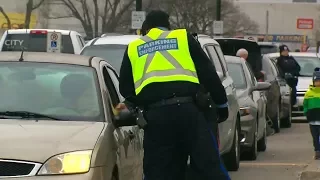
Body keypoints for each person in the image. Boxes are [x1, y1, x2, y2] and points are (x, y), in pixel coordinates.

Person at [118, 10, 230, 180]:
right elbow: (208, 74)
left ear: (146, 28)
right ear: (168, 26)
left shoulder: (134, 47)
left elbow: (125, 88)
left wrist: (144, 103)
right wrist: (221, 105)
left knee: (158, 172)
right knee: (209, 167)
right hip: (189, 113)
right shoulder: (182, 37)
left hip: (156, 119)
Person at [303, 67, 320, 159]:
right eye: (316, 81)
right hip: (313, 120)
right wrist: (306, 113)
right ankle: (317, 151)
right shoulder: (308, 93)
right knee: (315, 137)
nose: (318, 83)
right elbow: (305, 105)